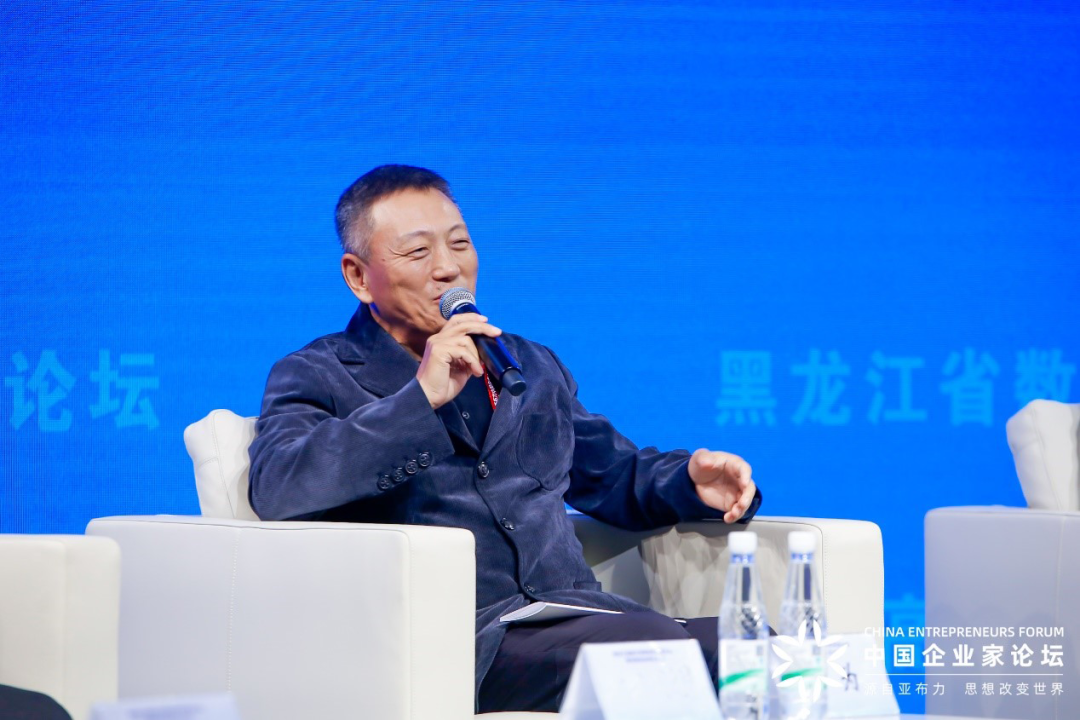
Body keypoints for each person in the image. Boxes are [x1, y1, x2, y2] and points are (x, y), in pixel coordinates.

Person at [248, 164, 762, 712]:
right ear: (358, 276)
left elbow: (611, 474)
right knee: (643, 649)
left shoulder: (526, 363)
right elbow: (280, 484)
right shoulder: (319, 372)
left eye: (459, 244)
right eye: (418, 252)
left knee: (755, 650)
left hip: (573, 615)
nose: (448, 268)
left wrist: (688, 481)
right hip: (458, 641)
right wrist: (419, 400)